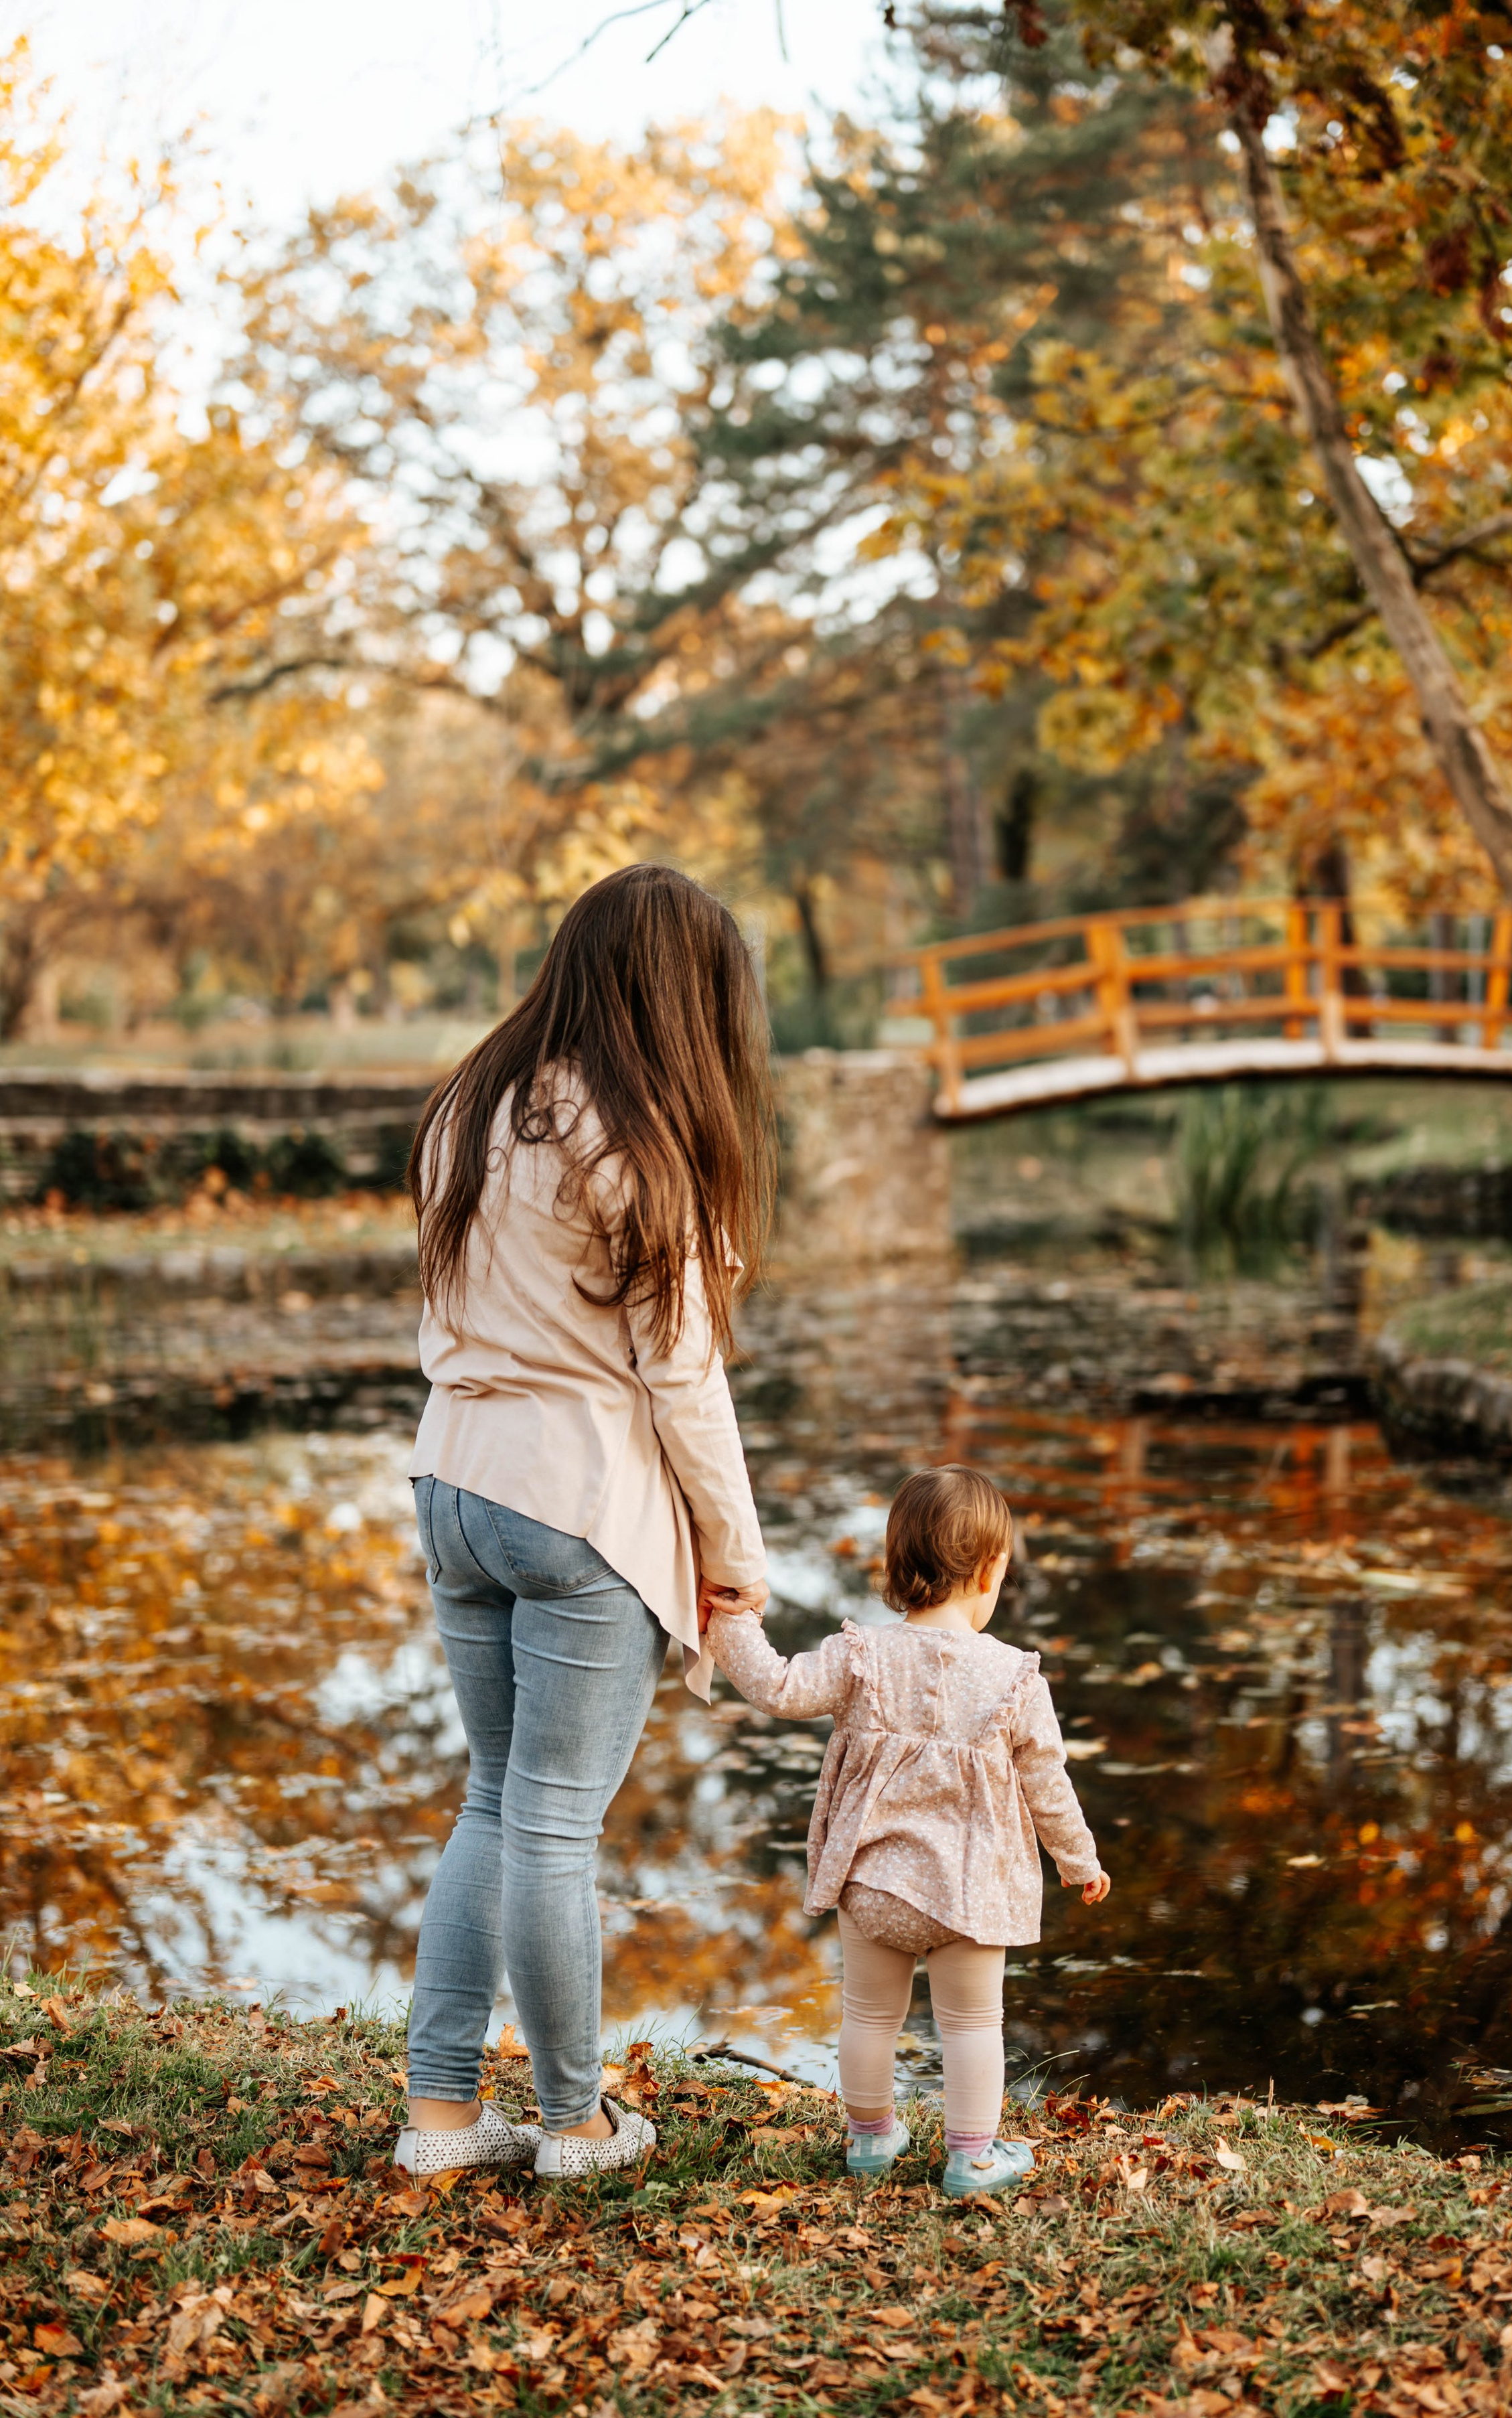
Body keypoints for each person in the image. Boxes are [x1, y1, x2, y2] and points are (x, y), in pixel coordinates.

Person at [394, 865, 772, 2185]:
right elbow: (683, 1377)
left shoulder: (470, 1107)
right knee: (552, 1821)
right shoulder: (638, 1140)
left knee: (490, 1804)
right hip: (575, 1512)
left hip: (452, 1482)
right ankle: (573, 2122)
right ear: (682, 1000)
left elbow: (446, 1315)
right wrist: (735, 1562)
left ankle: (439, 2120)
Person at [703, 1463, 1110, 2196]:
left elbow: (777, 1685)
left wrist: (732, 1619)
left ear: (896, 1564)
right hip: (971, 1894)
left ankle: (869, 2138)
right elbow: (1048, 1784)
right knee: (972, 2024)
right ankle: (971, 2157)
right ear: (991, 1571)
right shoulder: (1016, 1679)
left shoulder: (860, 1655)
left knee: (867, 2013)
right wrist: (1078, 1862)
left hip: (874, 1880)